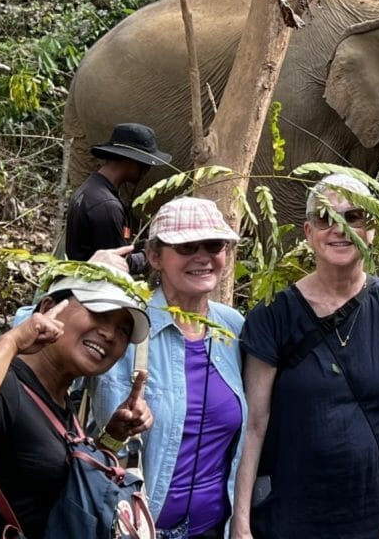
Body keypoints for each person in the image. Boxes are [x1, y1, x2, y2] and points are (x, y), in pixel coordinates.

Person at [231, 174, 379, 539]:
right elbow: (254, 424)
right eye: (326, 218)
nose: (339, 228)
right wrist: (241, 524)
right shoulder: (272, 314)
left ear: (372, 229)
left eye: (354, 216)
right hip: (289, 512)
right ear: (308, 232)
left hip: (375, 510)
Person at [0, 264, 153, 538]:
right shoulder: (5, 385)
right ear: (47, 309)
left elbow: (67, 485)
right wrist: (12, 341)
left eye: (124, 330)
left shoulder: (59, 400)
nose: (110, 334)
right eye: (98, 313)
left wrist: (114, 436)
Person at [92, 196, 245, 539]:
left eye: (214, 244)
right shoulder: (125, 321)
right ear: (155, 257)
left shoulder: (233, 328)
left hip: (215, 528)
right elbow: (31, 335)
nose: (202, 256)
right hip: (134, 528)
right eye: (187, 246)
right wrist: (88, 280)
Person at [65, 122, 171, 274]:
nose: (148, 170)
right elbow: (115, 266)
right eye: (146, 164)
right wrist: (154, 255)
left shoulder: (91, 189)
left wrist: (146, 246)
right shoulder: (107, 206)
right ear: (131, 162)